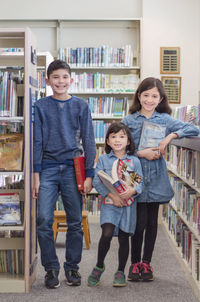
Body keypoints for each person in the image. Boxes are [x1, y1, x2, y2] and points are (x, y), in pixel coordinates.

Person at [122, 77, 200, 282]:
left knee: (151, 222)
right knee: (138, 222)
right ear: (139, 96)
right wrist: (141, 154)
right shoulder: (128, 121)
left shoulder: (165, 120)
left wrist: (170, 136)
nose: (149, 99)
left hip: (156, 175)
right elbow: (120, 149)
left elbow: (194, 129)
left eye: (154, 96)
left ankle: (146, 264)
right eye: (145, 95)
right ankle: (134, 263)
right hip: (135, 176)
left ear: (161, 98)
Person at [32, 60, 96, 289]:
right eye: (55, 77)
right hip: (47, 168)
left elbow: (89, 141)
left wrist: (89, 175)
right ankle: (51, 268)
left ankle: (72, 268)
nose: (60, 81)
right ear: (47, 81)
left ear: (71, 80)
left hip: (73, 169)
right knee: (43, 221)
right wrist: (35, 175)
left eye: (64, 77)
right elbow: (37, 142)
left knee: (75, 222)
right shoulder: (40, 106)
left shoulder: (81, 106)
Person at [87, 122, 143, 287]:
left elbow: (140, 183)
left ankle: (120, 271)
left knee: (124, 238)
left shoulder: (133, 161)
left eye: (121, 136)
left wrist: (132, 191)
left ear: (128, 141)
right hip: (110, 204)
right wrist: (111, 194)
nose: (117, 140)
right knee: (107, 233)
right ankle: (99, 265)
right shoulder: (104, 159)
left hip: (128, 206)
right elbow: (98, 180)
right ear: (108, 141)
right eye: (113, 137)